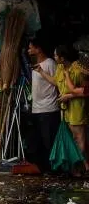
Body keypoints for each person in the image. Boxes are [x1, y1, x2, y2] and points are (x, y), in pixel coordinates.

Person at [28, 38, 61, 174]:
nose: (29, 50)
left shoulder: (50, 63)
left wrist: (42, 72)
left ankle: (54, 170)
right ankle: (44, 169)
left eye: (31, 47)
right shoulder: (34, 65)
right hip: (36, 109)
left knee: (49, 142)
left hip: (49, 108)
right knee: (38, 143)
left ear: (38, 48)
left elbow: (58, 83)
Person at [54, 44, 87, 176]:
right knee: (73, 139)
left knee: (80, 139)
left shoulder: (78, 70)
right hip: (67, 110)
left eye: (56, 55)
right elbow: (57, 83)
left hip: (78, 109)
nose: (54, 57)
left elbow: (80, 91)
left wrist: (68, 96)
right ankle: (77, 167)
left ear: (62, 57)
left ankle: (78, 168)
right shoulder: (60, 68)